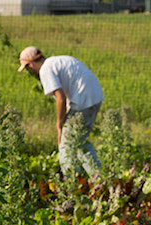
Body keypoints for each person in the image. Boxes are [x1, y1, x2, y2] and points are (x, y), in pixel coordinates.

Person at [18, 46, 104, 176]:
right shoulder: (56, 61)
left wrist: (59, 124)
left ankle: (72, 185)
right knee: (80, 143)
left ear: (31, 63)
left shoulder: (45, 70)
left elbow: (61, 97)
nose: (29, 71)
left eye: (27, 67)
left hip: (82, 101)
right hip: (94, 97)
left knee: (66, 146)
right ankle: (100, 178)